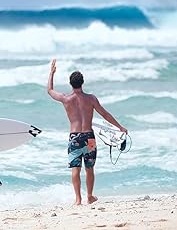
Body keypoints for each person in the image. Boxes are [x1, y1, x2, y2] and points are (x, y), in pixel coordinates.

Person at [47, 59, 127, 205]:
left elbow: (50, 91)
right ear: (82, 83)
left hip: (74, 137)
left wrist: (51, 73)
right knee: (89, 168)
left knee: (75, 169)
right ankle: (89, 196)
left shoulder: (66, 99)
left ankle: (78, 199)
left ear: (70, 84)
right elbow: (105, 114)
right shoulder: (91, 99)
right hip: (89, 137)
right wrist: (120, 127)